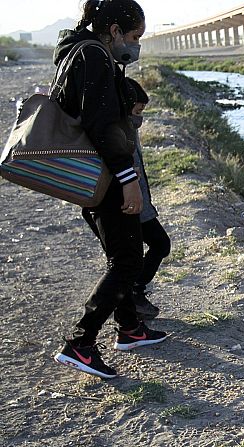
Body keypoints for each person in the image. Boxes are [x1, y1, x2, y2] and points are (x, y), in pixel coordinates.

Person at [52, 0, 166, 380]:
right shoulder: (95, 57)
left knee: (124, 254)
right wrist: (128, 181)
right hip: (107, 179)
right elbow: (103, 126)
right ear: (115, 31)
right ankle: (80, 343)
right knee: (128, 263)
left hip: (98, 178)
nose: (135, 46)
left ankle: (130, 329)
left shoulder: (76, 52)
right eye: (134, 37)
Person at [124, 77, 170, 321]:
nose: (140, 117)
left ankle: (132, 297)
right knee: (159, 245)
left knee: (147, 250)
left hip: (138, 203)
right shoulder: (119, 131)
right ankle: (132, 297)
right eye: (138, 111)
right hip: (130, 206)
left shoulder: (127, 127)